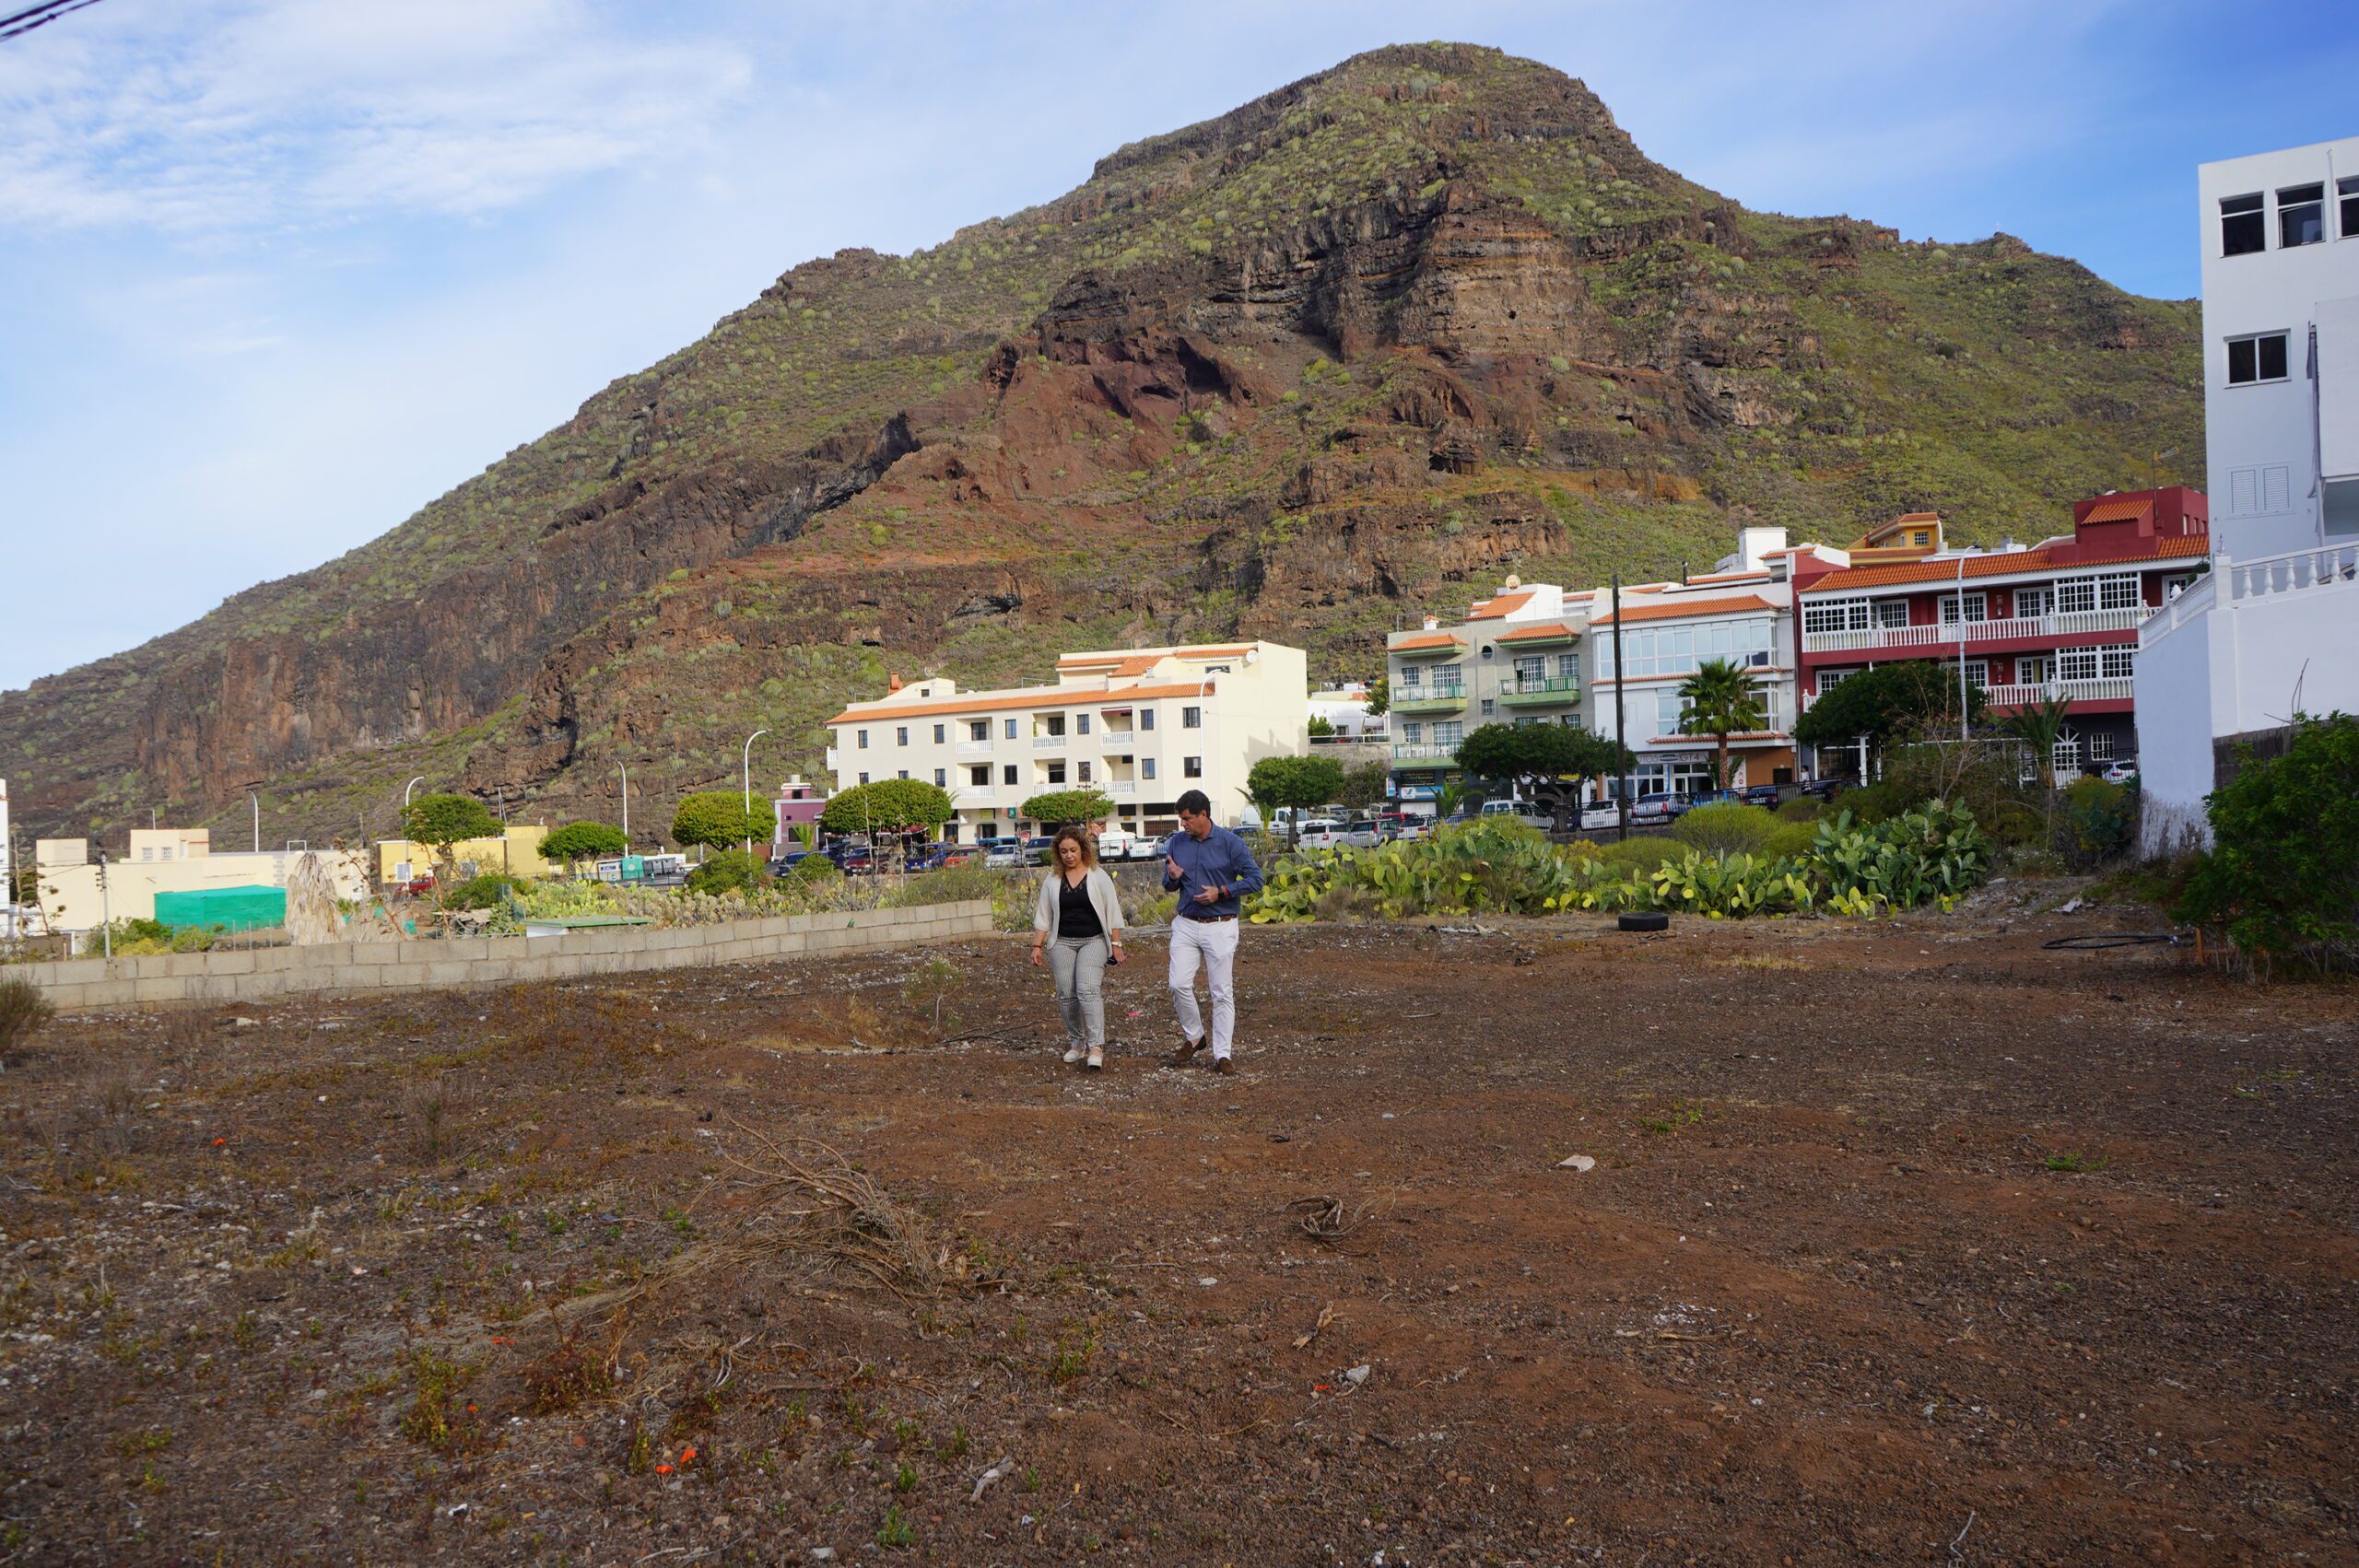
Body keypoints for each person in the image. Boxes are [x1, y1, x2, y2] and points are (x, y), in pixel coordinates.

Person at [1161, 788, 1263, 1074]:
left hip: (1221, 925)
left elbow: (1257, 879)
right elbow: (1167, 885)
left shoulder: (1231, 843)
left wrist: (1222, 891)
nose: (1183, 824)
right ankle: (1195, 1037)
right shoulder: (1176, 843)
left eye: (1187, 818)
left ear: (1203, 815)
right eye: (1181, 819)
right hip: (1186, 923)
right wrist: (1172, 878)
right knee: (1178, 984)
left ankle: (1223, 1054)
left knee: (1221, 992)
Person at [1029, 825, 1125, 1071]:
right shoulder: (1052, 881)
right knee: (1066, 993)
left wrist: (1116, 944)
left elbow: (1113, 911)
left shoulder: (1098, 876)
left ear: (1082, 849)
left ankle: (1096, 1046)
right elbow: (1044, 915)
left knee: (1087, 989)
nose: (1069, 855)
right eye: (1063, 851)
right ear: (1058, 853)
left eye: (1073, 850)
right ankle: (1077, 1042)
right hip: (1062, 942)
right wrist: (1037, 945)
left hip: (1093, 940)